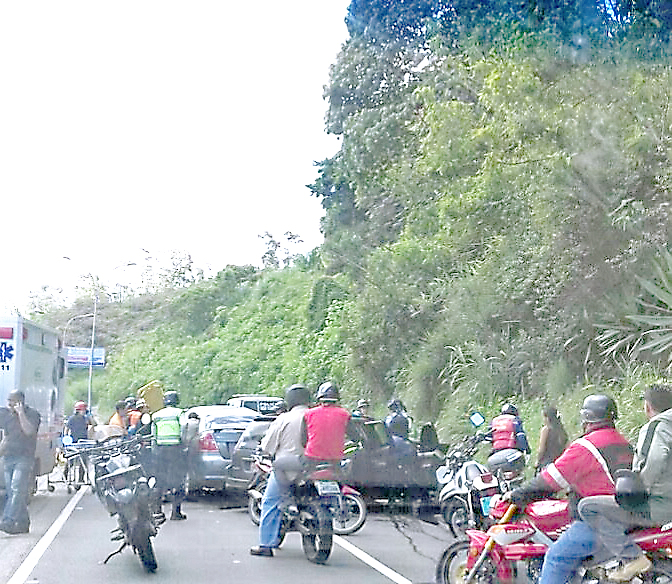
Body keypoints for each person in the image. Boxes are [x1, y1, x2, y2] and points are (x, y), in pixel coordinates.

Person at [503, 394, 633, 584]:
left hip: (599, 520)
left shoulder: (586, 446)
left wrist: (517, 495)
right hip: (625, 514)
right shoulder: (622, 442)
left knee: (556, 557)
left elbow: (548, 481)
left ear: (586, 418)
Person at [579, 385, 672, 581]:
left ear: (648, 407)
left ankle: (632, 557)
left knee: (587, 506)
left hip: (657, 507)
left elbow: (654, 460)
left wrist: (640, 490)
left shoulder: (657, 426)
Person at [250, 384, 311, 558]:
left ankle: (266, 545)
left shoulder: (284, 419)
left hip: (288, 470)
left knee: (270, 502)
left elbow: (268, 446)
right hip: (316, 467)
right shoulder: (316, 416)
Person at [0, 390, 41, 534]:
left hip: (24, 457)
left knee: (17, 488)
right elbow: (6, 436)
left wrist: (20, 413)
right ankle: (23, 523)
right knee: (13, 492)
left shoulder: (33, 415)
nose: (9, 404)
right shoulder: (5, 416)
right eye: (8, 401)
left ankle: (7, 521)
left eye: (12, 401)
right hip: (9, 457)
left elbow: (29, 431)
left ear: (20, 401)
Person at [151, 391, 188, 521]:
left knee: (159, 480)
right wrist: (183, 442)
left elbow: (153, 435)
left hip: (160, 450)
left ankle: (157, 512)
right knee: (178, 480)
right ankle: (175, 513)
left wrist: (155, 449)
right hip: (175, 449)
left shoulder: (156, 415)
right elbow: (184, 427)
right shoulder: (179, 413)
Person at [302, 381, 352, 467]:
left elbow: (303, 440)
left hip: (312, 458)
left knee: (306, 478)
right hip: (335, 459)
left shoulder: (308, 414)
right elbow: (353, 435)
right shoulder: (345, 414)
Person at [535, 404, 568, 473]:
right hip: (559, 462)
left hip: (547, 463)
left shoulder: (546, 430)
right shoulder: (561, 430)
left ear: (548, 418)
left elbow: (541, 449)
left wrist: (537, 461)